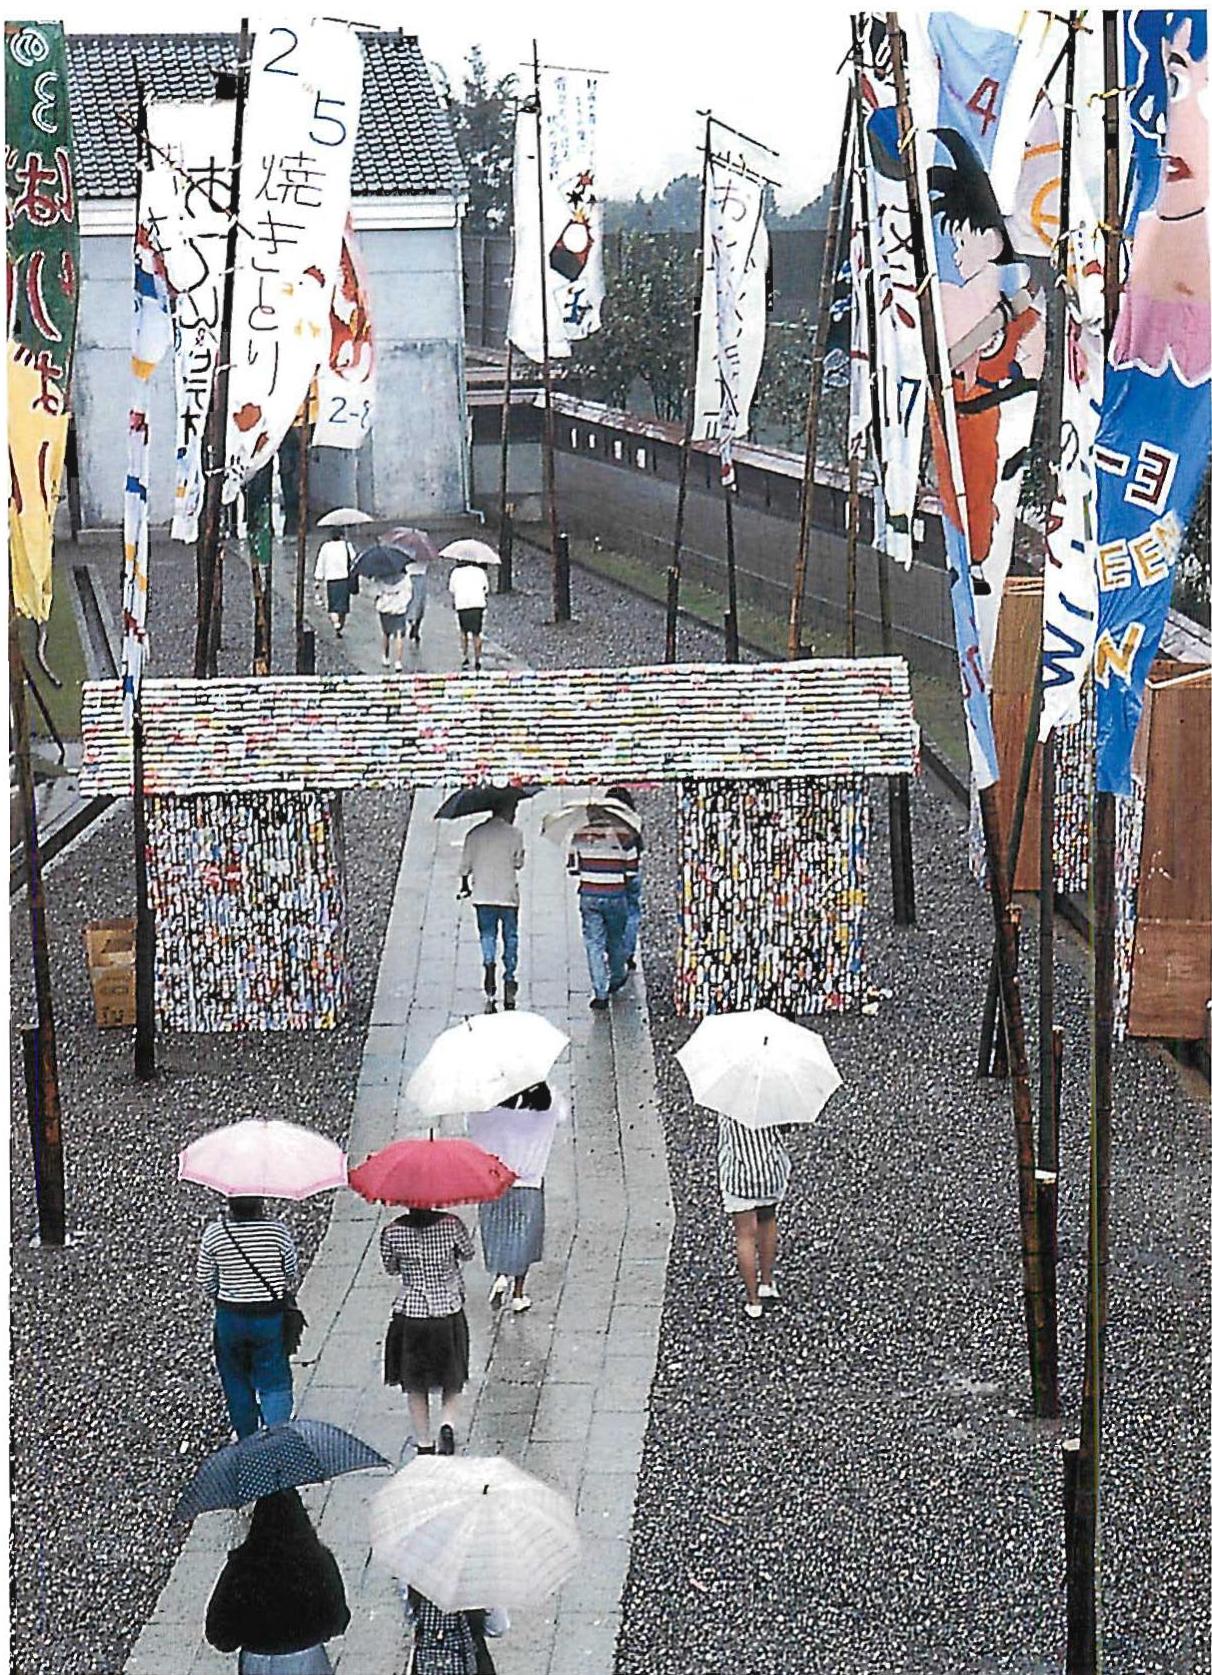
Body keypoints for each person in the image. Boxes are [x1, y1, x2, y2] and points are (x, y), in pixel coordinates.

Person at [205, 1488, 350, 1674]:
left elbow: (218, 1633)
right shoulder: (318, 1560)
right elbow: (338, 1621)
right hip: (309, 1661)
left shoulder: (241, 1567)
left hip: (259, 1664)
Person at [196, 1195, 299, 1440]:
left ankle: (248, 1437)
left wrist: (222, 1294)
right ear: (261, 1202)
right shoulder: (276, 1232)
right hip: (269, 1315)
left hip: (231, 1316)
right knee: (274, 1376)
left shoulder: (215, 1234)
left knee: (235, 1377)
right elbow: (290, 1271)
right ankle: (277, 1435)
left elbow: (205, 1278)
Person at [467, 1081, 568, 1315]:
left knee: (497, 1230)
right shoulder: (545, 1111)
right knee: (525, 1237)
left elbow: (471, 1124)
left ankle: (501, 1275)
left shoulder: (486, 1114)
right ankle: (518, 1294)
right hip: (529, 1182)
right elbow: (562, 1111)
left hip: (493, 1181)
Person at [380, 1207, 474, 1455]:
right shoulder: (451, 1224)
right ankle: (447, 1424)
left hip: (411, 1315)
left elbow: (391, 1268)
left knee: (415, 1383)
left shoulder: (392, 1231)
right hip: (447, 1310)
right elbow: (468, 1252)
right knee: (452, 1376)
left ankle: (424, 1442)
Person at [718, 1116, 791, 1320]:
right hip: (770, 1171)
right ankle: (767, 1283)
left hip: (738, 1176)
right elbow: (785, 1128)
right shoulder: (773, 1100)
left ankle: (753, 1301)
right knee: (768, 1221)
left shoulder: (728, 1102)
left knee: (745, 1236)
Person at [567, 808, 639, 1012]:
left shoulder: (580, 835)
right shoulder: (624, 834)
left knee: (594, 943)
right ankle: (617, 976)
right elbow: (632, 870)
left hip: (589, 894)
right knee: (615, 939)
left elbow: (573, 868)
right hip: (616, 894)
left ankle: (600, 992)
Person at [458, 796, 525, 1011]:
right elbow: (518, 863)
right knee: (510, 937)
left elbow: (464, 868)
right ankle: (509, 977)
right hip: (507, 895)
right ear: (507, 811)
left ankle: (489, 965)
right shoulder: (515, 834)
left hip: (483, 895)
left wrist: (466, 885)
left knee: (488, 935)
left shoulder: (474, 834)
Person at [399, 1586, 508, 1675]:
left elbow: (407, 1615)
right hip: (469, 1661)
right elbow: (498, 1627)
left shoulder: (417, 1573)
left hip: (424, 1662)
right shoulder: (479, 1579)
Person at [605, 785, 642, 971]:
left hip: (613, 875)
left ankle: (616, 952)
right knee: (632, 913)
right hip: (632, 872)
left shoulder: (606, 824)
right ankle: (628, 953)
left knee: (616, 917)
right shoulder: (632, 821)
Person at [313, 529, 355, 635]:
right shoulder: (346, 545)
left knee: (333, 605)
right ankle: (340, 624)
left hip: (331, 580)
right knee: (343, 607)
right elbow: (355, 560)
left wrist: (318, 578)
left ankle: (336, 623)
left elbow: (320, 562)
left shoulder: (325, 547)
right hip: (344, 579)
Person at [449, 560, 490, 671]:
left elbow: (452, 589)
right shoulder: (480, 572)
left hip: (462, 604)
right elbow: (486, 588)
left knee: (464, 632)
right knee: (477, 633)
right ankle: (478, 659)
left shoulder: (456, 572)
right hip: (477, 604)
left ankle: (465, 657)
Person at [374, 570, 413, 671]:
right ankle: (398, 662)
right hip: (399, 608)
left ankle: (386, 657)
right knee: (399, 634)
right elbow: (409, 592)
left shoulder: (380, 577)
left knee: (386, 633)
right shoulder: (404, 578)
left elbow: (377, 592)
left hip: (385, 608)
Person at [403, 555, 428, 647]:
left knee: (410, 602)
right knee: (420, 604)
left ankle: (411, 622)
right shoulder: (425, 552)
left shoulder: (406, 550)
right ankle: (416, 626)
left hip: (409, 576)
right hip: (421, 576)